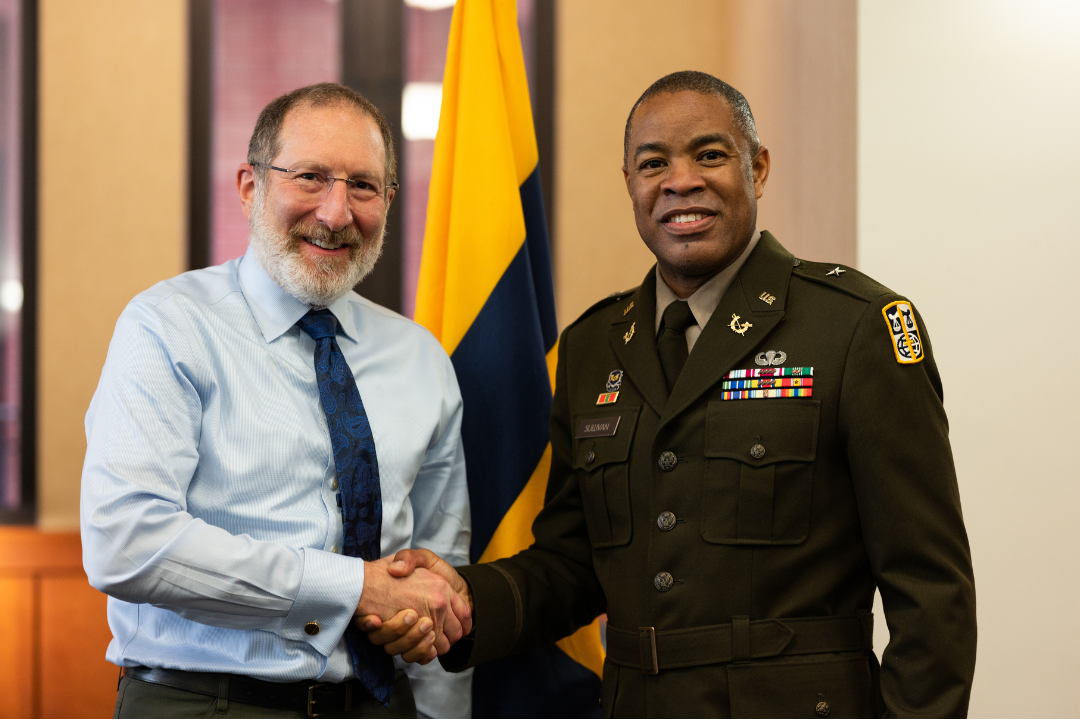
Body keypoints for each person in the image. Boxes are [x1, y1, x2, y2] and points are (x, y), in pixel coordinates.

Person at [368, 71, 977, 717]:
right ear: (630, 183)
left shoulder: (854, 328)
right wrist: (458, 599)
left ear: (759, 168)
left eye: (709, 155)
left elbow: (930, 590)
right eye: (653, 162)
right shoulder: (595, 345)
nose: (680, 180)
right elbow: (575, 567)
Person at [81, 83, 474, 719]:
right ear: (249, 186)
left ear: (390, 202)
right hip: (207, 700)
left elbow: (439, 574)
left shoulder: (420, 358)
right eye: (311, 177)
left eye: (364, 187)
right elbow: (126, 542)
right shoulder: (168, 326)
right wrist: (352, 590)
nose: (337, 212)